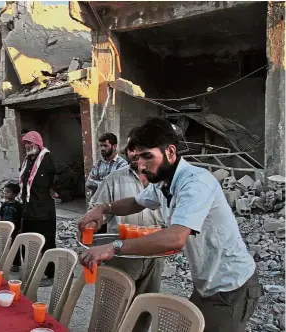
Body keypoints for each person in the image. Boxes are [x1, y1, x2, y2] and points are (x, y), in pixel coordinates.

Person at [79, 118, 262, 332]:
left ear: (171, 152)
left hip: (231, 286)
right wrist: (103, 208)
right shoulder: (163, 182)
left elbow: (175, 237)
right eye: (138, 158)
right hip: (206, 284)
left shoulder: (195, 183)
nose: (142, 165)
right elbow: (135, 202)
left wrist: (113, 247)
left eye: (148, 156)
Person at [88, 127, 163, 332]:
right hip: (122, 253)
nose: (133, 153)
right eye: (130, 148)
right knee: (113, 306)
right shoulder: (114, 178)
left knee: (144, 306)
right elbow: (98, 212)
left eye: (138, 148)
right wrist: (92, 224)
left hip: (154, 253)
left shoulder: (163, 182)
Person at [19, 131, 56, 285]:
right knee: (27, 241)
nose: (27, 145)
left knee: (47, 242)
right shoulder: (28, 161)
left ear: (38, 143)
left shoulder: (48, 158)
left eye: (30, 142)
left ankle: (51, 274)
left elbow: (65, 173)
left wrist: (57, 189)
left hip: (43, 210)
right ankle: (31, 271)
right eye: (25, 143)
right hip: (28, 208)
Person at [86, 132, 128, 233]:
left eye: (105, 146)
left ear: (114, 146)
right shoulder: (99, 163)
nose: (102, 149)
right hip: (97, 208)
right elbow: (89, 182)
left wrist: (101, 184)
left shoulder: (122, 165)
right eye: (101, 146)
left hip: (113, 212)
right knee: (96, 237)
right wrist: (108, 185)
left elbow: (119, 189)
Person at [0, 183, 23, 272]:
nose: (5, 193)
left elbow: (21, 218)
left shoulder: (18, 206)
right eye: (5, 191)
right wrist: (1, 226)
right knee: (5, 245)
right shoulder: (4, 205)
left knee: (15, 246)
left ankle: (16, 264)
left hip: (15, 230)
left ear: (15, 194)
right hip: (6, 230)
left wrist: (20, 229)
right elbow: (1, 216)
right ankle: (5, 261)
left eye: (8, 192)